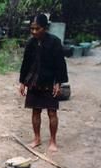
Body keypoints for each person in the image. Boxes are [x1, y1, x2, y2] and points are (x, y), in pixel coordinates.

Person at [19, 13, 68, 152]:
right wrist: (22, 82)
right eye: (32, 29)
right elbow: (25, 64)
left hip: (49, 82)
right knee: (35, 111)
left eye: (37, 28)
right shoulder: (30, 43)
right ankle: (37, 138)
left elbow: (60, 64)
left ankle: (53, 141)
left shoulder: (54, 42)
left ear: (45, 28)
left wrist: (58, 82)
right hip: (34, 82)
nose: (34, 32)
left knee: (52, 112)